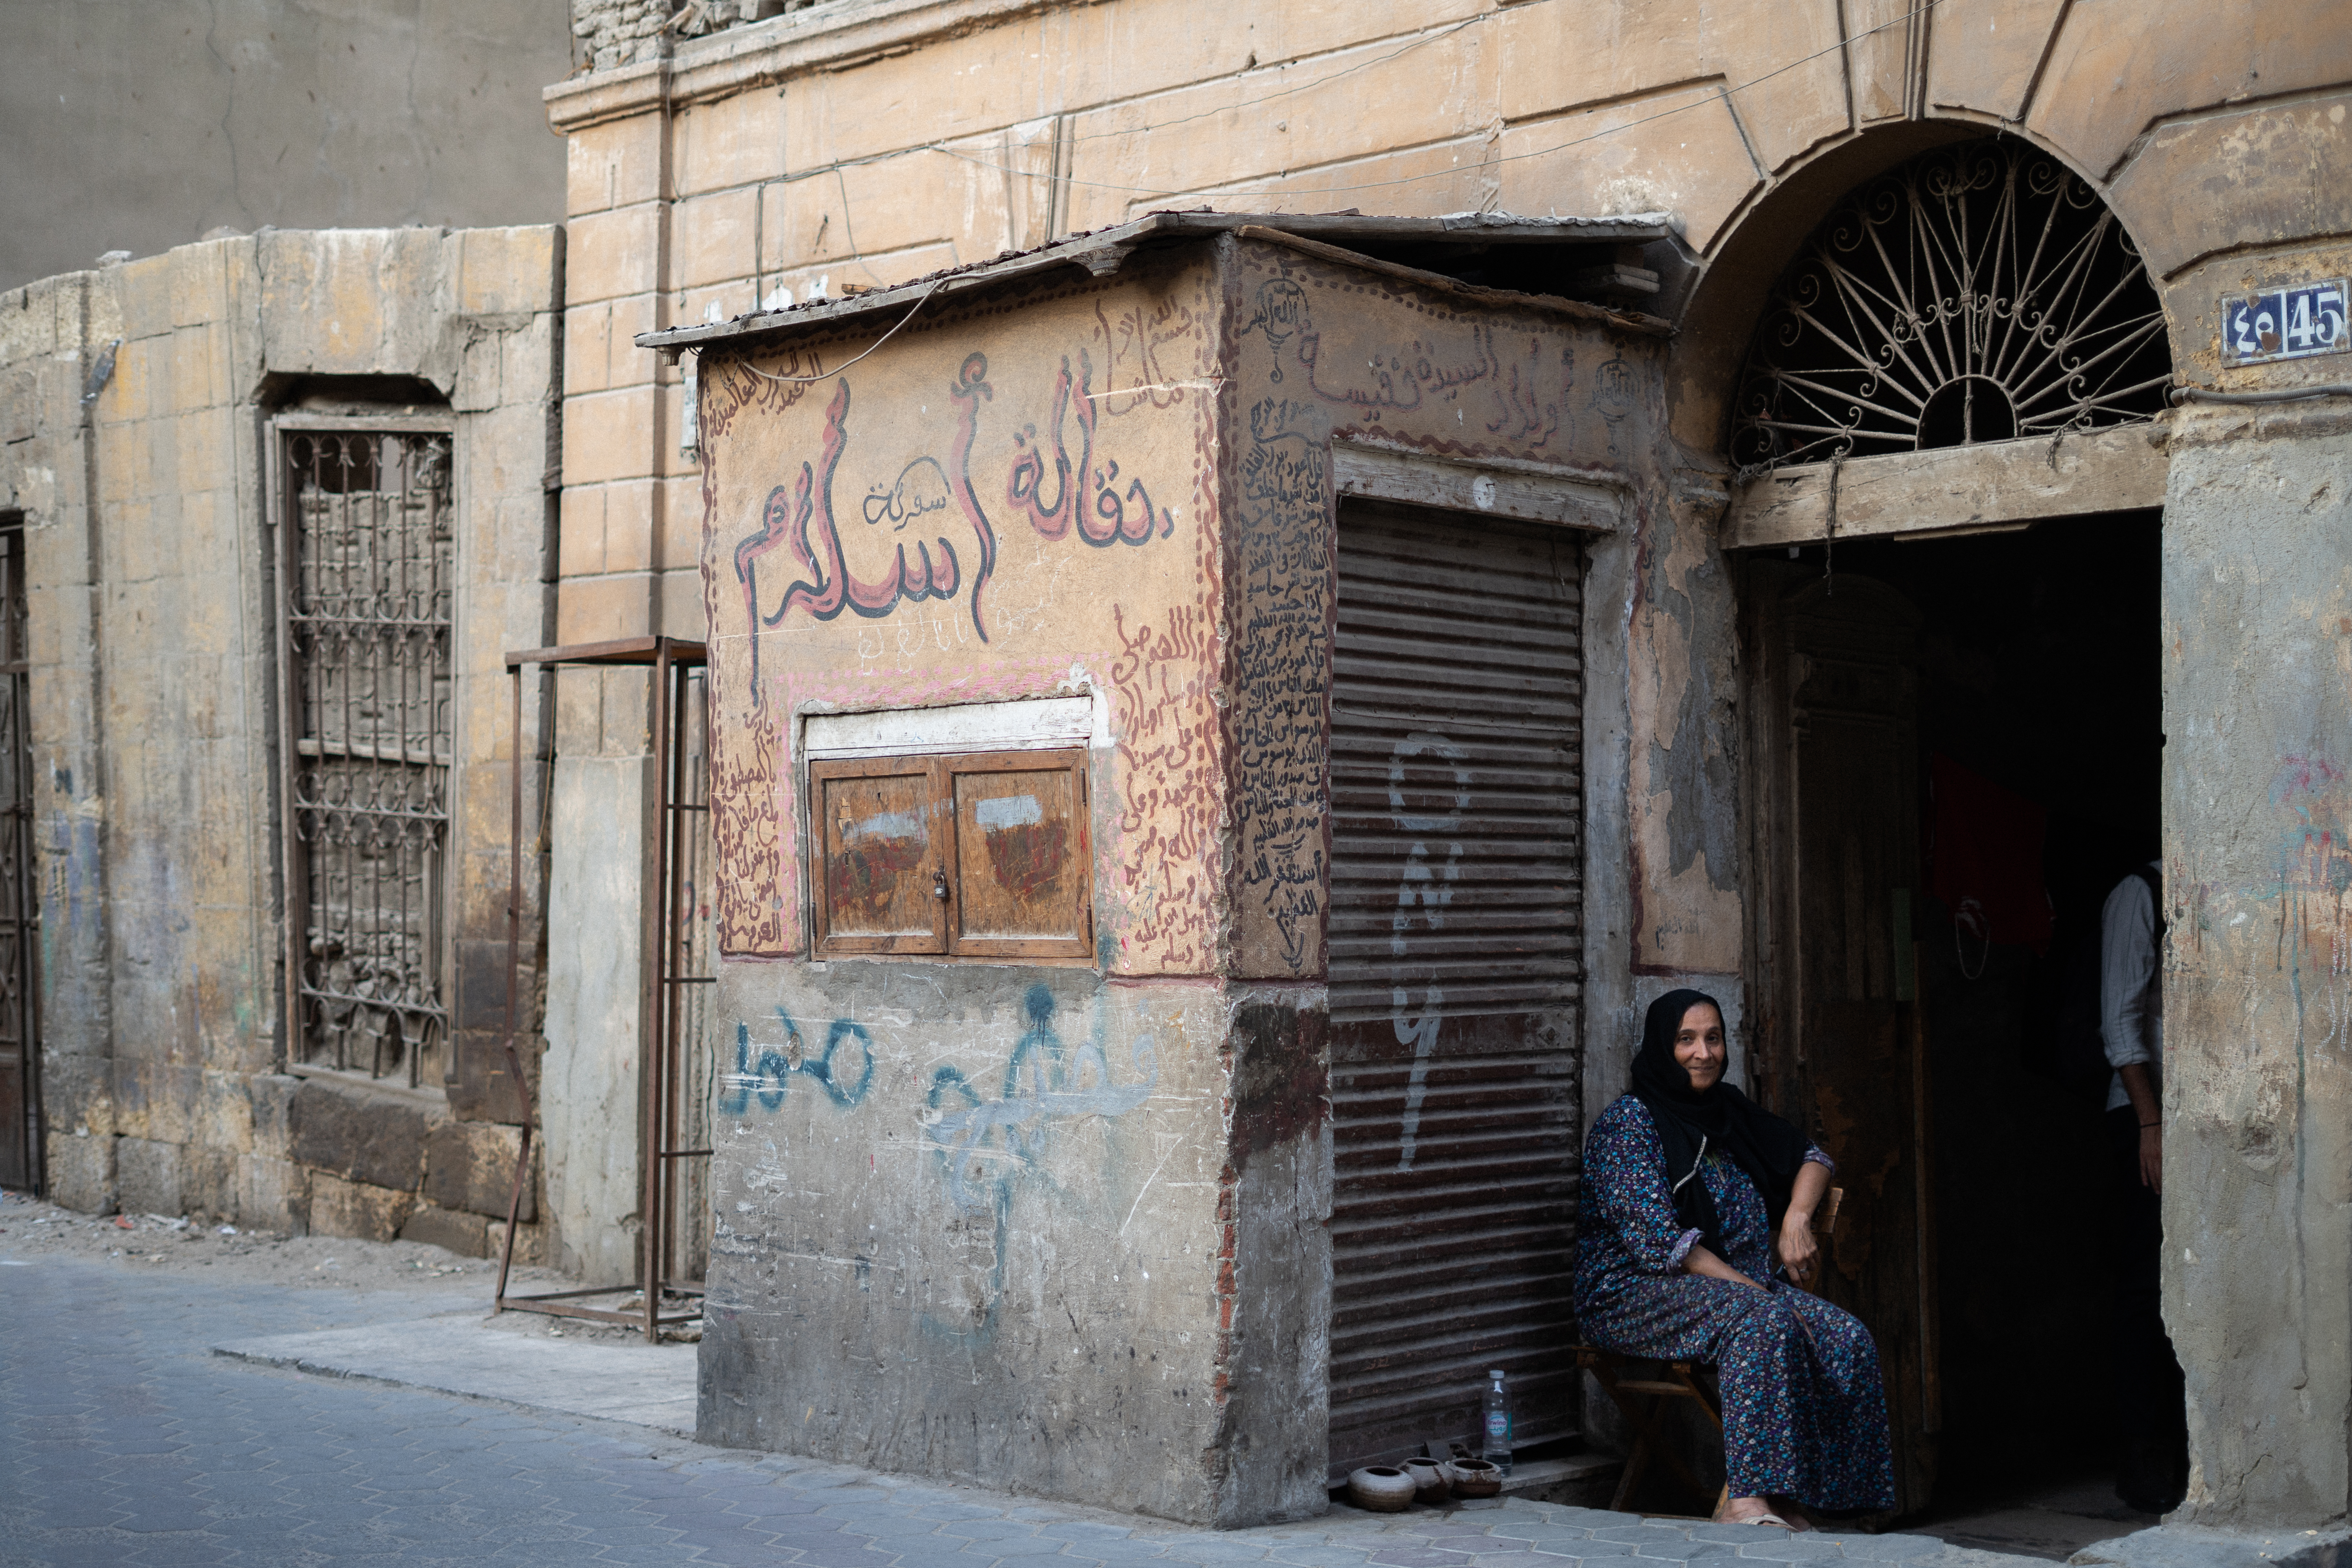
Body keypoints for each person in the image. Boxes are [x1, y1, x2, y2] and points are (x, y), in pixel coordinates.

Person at [1575, 989, 1897, 1528]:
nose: (1704, 1053)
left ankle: (1831, 1505)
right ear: (1661, 1046)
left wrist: (1795, 1218)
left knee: (1845, 1336)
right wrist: (1754, 1293)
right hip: (1631, 1294)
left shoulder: (1727, 1110)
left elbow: (1814, 1158)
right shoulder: (1628, 1127)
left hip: (1734, 1291)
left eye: (1713, 1038)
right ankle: (1745, 1501)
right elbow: (1664, 1247)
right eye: (1686, 1040)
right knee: (1764, 1320)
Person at [2100, 861, 2188, 1513]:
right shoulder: (2139, 892)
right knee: (2142, 1287)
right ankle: (2139, 1454)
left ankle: (2186, 1447)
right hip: (2142, 1118)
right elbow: (2118, 1019)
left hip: (2195, 1119)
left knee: (2188, 1283)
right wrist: (2149, 1122)